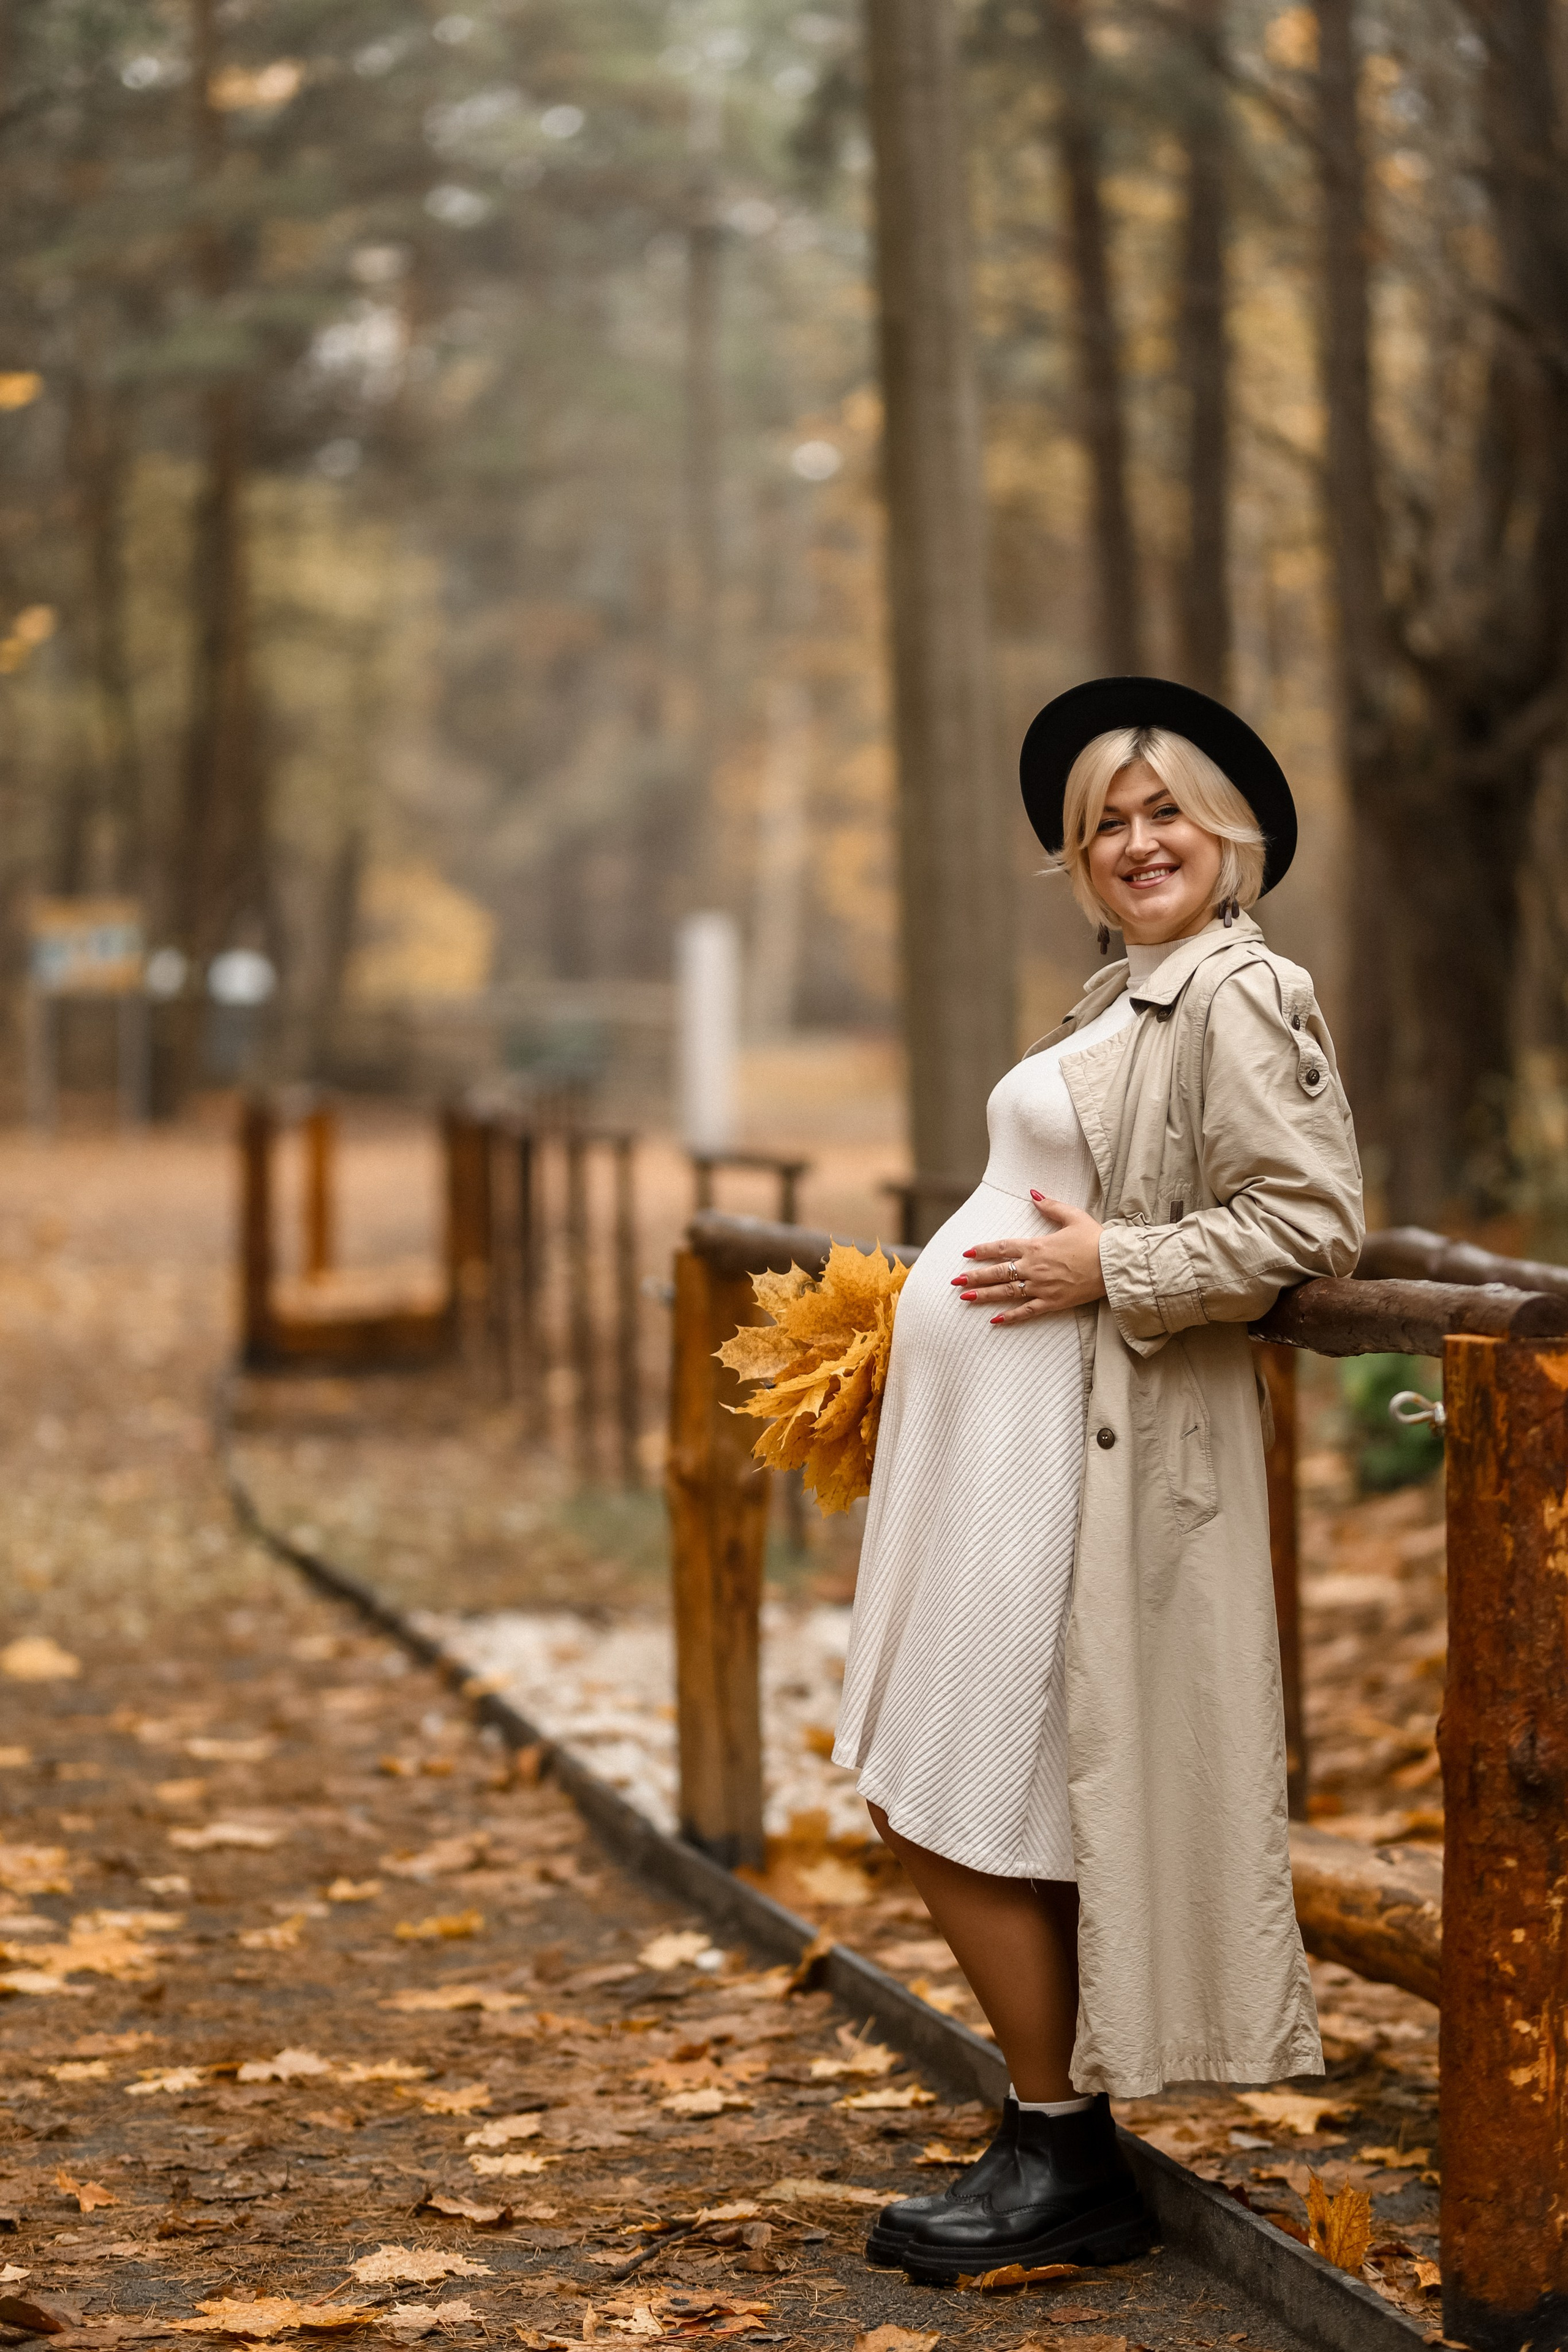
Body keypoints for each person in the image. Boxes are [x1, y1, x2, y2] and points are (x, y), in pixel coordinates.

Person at [832, 676, 1365, 2283]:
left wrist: (1107, 1267)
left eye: (1165, 813)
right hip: (998, 1447)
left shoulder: (1240, 993)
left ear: (1230, 834)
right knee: (957, 1779)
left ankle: (1063, 2151)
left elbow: (1309, 1220)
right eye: (1107, 823)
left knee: (943, 1776)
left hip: (1077, 1453)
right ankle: (1052, 2135)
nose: (1138, 841)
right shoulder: (1123, 995)